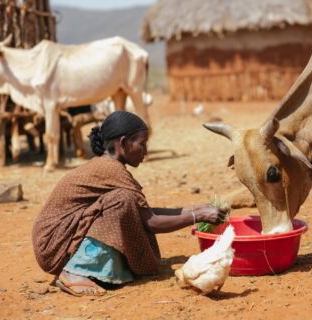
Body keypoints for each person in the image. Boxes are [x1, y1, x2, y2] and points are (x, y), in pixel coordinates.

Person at [32, 111, 226, 297]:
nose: (146, 151)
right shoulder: (111, 170)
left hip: (57, 239)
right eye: (142, 144)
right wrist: (197, 216)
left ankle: (91, 267)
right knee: (123, 200)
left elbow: (142, 212)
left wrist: (196, 208)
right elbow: (150, 222)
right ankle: (76, 272)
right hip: (53, 244)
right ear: (123, 143)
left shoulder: (109, 166)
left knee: (126, 201)